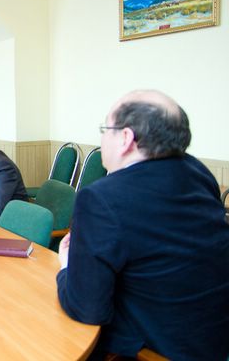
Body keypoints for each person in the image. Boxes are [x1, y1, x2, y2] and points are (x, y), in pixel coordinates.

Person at [56, 90, 229, 360]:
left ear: (126, 138)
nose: (102, 139)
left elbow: (87, 309)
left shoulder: (102, 198)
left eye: (105, 129)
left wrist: (67, 266)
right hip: (214, 337)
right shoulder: (198, 172)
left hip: (154, 350)